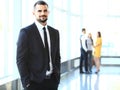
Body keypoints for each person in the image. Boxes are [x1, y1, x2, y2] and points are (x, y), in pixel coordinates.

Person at [16, 1, 61, 90]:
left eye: (45, 11)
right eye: (39, 11)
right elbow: (20, 60)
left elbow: (57, 56)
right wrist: (26, 83)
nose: (42, 13)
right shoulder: (26, 32)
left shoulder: (55, 32)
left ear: (48, 12)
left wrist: (57, 77)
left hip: (52, 82)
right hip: (34, 83)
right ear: (34, 13)